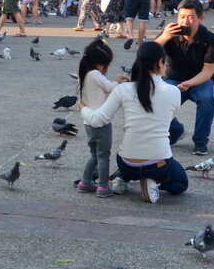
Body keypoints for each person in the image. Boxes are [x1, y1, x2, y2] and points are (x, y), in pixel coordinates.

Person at [80, 41, 188, 204]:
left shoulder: (123, 89)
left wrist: (83, 107)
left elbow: (97, 120)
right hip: (158, 164)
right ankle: (153, 182)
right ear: (160, 62)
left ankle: (122, 178)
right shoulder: (174, 92)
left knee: (129, 164)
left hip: (127, 162)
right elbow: (169, 118)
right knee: (181, 183)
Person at [155, 0, 214, 155]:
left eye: (191, 17)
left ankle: (200, 141)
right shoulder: (171, 34)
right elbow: (146, 54)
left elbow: (208, 71)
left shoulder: (210, 39)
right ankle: (176, 131)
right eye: (182, 17)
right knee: (156, 97)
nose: (186, 22)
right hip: (173, 79)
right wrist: (163, 37)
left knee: (206, 98)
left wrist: (189, 83)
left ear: (200, 18)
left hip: (200, 80)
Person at [75, 38, 124, 197]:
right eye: (107, 65)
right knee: (103, 156)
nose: (107, 69)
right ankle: (103, 186)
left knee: (95, 155)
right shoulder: (95, 74)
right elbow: (111, 88)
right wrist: (117, 80)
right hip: (101, 123)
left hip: (88, 122)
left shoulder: (84, 75)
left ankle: (85, 181)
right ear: (99, 64)